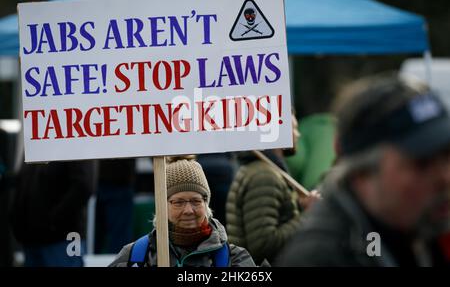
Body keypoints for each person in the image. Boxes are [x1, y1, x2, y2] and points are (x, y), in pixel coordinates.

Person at [276, 76, 450, 266]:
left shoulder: (425, 230)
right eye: (422, 163)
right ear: (361, 174)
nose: (445, 178)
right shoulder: (321, 258)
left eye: (447, 156)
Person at [109, 156, 255, 267]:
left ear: (206, 204)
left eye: (196, 201)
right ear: (162, 206)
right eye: (178, 202)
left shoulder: (235, 259)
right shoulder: (135, 257)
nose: (188, 210)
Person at [226, 114, 320, 265]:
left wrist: (300, 206)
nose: (298, 134)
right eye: (294, 128)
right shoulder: (264, 175)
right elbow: (263, 245)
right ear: (278, 131)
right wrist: (308, 214)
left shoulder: (262, 170)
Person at [11, 160, 97, 267]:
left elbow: (84, 185)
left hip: (61, 239)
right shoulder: (34, 147)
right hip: (33, 238)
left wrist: (52, 220)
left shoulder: (75, 145)